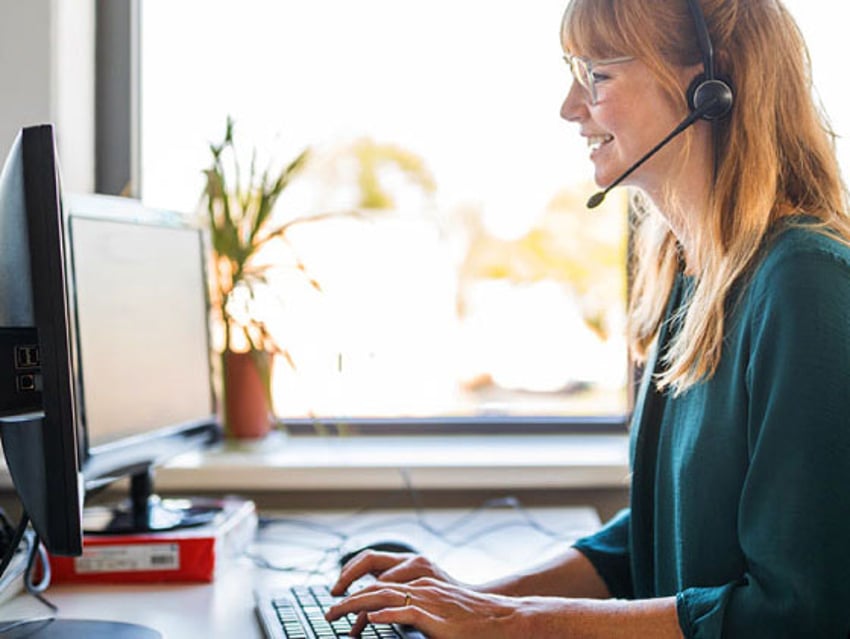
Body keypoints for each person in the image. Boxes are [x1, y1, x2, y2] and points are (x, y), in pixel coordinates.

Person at [325, 0, 850, 636]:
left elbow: (799, 614)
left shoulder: (805, 283)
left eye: (597, 75)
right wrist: (466, 598)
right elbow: (659, 534)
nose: (570, 107)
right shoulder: (692, 275)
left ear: (710, 88)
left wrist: (510, 622)